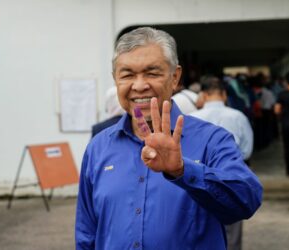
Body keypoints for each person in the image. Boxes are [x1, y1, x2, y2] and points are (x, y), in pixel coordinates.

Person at [75, 27, 262, 250]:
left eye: (152, 73)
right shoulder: (99, 147)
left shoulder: (212, 140)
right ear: (115, 80)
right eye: (127, 75)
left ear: (175, 78)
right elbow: (87, 232)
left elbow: (246, 202)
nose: (140, 85)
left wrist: (183, 171)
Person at [191, 75, 254, 250]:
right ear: (224, 95)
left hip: (197, 179)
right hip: (231, 177)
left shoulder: (191, 118)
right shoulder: (238, 116)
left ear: (202, 95)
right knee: (232, 231)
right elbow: (247, 149)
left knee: (199, 227)